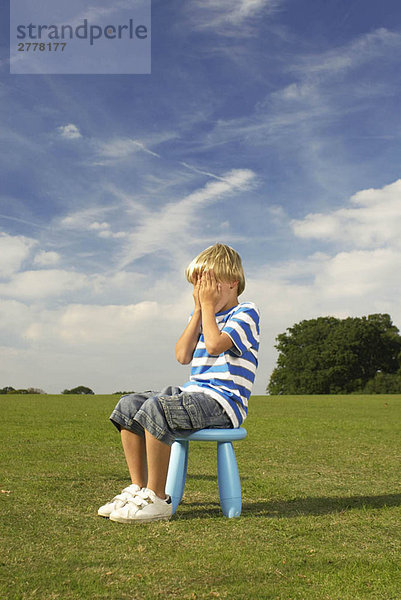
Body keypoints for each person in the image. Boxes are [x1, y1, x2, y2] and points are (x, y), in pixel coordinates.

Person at [98, 243, 260, 523]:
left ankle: (157, 498)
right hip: (194, 394)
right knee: (129, 405)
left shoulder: (245, 313)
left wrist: (207, 308)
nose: (203, 292)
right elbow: (182, 356)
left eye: (210, 284)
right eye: (198, 286)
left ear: (233, 283)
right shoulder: (201, 315)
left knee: (157, 408)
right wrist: (199, 311)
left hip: (223, 404)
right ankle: (139, 489)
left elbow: (214, 345)